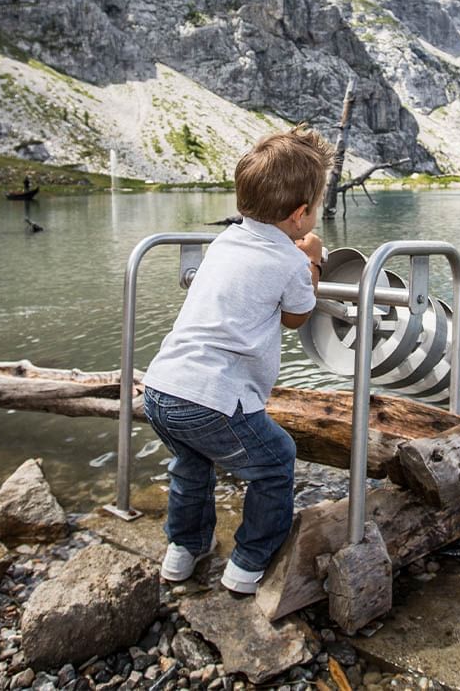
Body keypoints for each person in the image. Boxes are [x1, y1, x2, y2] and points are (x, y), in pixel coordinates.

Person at [142, 125, 334, 594]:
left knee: (190, 465)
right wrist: (313, 259)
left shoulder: (225, 241)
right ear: (301, 214)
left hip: (163, 388)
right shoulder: (289, 260)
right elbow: (297, 315)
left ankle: (183, 551)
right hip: (213, 398)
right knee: (275, 460)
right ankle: (248, 563)